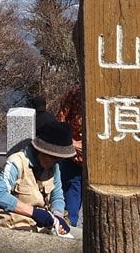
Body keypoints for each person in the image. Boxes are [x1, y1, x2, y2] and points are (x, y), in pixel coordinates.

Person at [0, 120, 74, 235]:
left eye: (60, 159)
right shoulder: (16, 162)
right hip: (13, 231)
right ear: (41, 151)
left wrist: (58, 216)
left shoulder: (54, 167)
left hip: (42, 231)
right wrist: (33, 212)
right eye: (54, 157)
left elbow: (57, 196)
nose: (57, 162)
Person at [55, 86, 83, 226]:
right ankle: (68, 228)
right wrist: (71, 144)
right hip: (73, 157)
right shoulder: (75, 92)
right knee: (71, 199)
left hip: (102, 161)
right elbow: (61, 121)